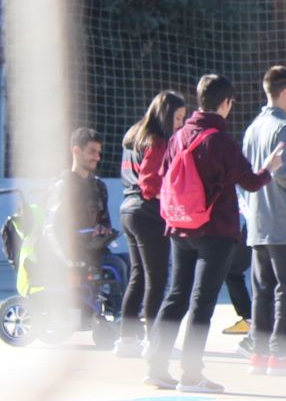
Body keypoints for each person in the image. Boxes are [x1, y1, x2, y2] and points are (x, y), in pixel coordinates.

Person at [145, 74, 284, 394]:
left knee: (176, 295)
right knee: (202, 301)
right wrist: (269, 168)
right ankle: (191, 375)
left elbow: (164, 174)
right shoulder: (220, 141)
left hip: (180, 226)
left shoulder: (179, 136)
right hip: (215, 229)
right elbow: (250, 182)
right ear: (226, 103)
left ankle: (155, 366)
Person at [241, 65, 286, 375]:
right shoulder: (285, 128)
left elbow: (244, 176)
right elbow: (284, 172)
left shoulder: (252, 127)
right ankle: (280, 355)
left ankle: (259, 354)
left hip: (256, 220)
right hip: (281, 218)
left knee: (262, 289)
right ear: (284, 92)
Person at [116, 91, 185, 357]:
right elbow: (148, 185)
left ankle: (126, 339)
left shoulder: (134, 135)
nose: (180, 124)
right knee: (157, 278)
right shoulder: (157, 141)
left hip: (128, 211)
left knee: (138, 276)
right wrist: (168, 197)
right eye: (178, 118)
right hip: (148, 213)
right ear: (165, 116)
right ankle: (154, 342)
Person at [46, 127, 116, 273]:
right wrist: (67, 261)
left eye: (98, 152)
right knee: (118, 268)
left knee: (126, 263)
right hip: (71, 255)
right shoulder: (62, 186)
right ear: (76, 150)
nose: (97, 157)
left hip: (95, 253)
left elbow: (105, 222)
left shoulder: (99, 186)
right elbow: (51, 229)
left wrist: (102, 229)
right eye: (92, 152)